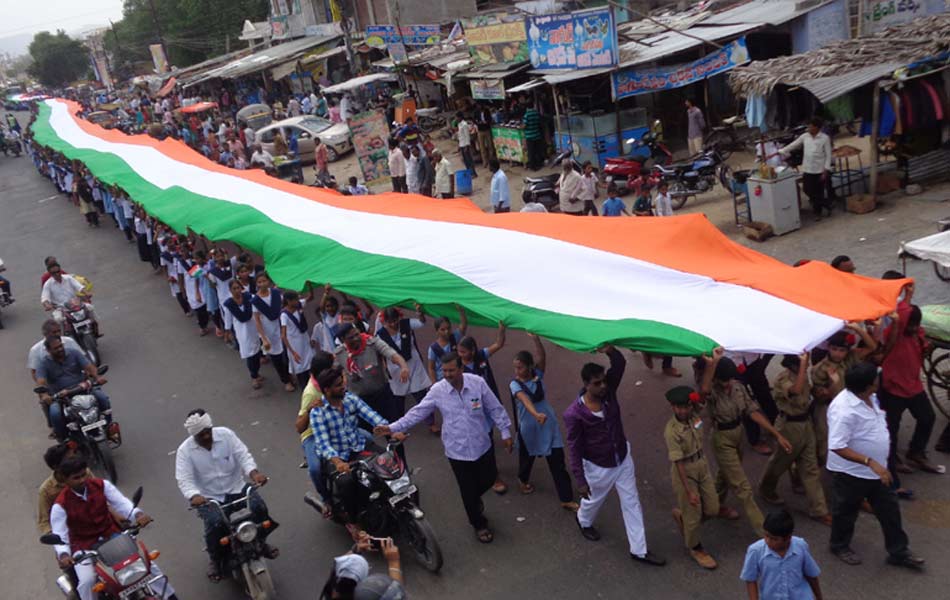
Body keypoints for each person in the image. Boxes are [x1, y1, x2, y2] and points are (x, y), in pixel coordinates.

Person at [376, 352, 513, 543]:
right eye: (444, 370)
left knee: (489, 478)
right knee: (467, 490)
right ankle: (479, 524)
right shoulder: (437, 391)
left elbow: (494, 407)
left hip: (482, 444)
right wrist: (392, 427)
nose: (447, 375)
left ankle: (474, 500)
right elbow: (417, 413)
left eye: (451, 370)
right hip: (457, 450)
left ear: (461, 369)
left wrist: (505, 431)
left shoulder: (477, 383)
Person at [563, 345, 666, 566]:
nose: (602, 386)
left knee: (631, 501)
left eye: (603, 381)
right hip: (598, 466)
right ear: (585, 385)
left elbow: (619, 364)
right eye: (596, 383)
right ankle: (583, 520)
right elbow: (574, 447)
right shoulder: (574, 414)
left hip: (622, 457)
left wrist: (610, 350)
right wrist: (580, 479)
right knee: (593, 500)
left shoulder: (609, 393)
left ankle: (639, 550)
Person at [826, 362, 924, 569]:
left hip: (878, 471)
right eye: (876, 378)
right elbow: (837, 446)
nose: (880, 379)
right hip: (852, 473)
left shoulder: (868, 396)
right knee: (845, 512)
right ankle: (839, 545)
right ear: (869, 385)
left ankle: (898, 552)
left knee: (890, 511)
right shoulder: (844, 411)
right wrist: (870, 462)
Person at [50, 457, 177, 600]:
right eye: (76, 478)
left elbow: (122, 503)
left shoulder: (101, 485)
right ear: (66, 480)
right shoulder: (60, 505)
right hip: (85, 547)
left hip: (112, 536)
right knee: (87, 582)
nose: (81, 480)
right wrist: (64, 555)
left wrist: (138, 514)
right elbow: (60, 535)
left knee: (145, 564)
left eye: (83, 474)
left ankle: (170, 595)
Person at [175, 409, 278, 581]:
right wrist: (194, 496)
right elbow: (184, 479)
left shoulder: (226, 435)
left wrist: (254, 473)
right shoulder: (185, 451)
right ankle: (215, 559)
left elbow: (243, 455)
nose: (207, 437)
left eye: (208, 432)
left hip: (237, 488)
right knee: (215, 524)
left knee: (259, 509)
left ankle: (260, 542)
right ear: (194, 436)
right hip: (210, 498)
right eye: (201, 435)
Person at [699, 349, 792, 536]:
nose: (727, 384)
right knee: (743, 487)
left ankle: (710, 508)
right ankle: (764, 532)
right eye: (723, 380)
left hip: (737, 434)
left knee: (724, 476)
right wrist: (711, 366)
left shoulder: (738, 388)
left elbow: (753, 411)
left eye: (730, 379)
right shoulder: (713, 392)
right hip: (721, 438)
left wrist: (777, 434)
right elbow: (704, 391)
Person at [309, 366, 398, 520]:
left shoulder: (350, 399)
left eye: (342, 383)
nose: (343, 386)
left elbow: (372, 416)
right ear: (327, 390)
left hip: (359, 446)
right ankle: (353, 521)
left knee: (388, 461)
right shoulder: (318, 413)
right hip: (337, 456)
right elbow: (323, 444)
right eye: (338, 385)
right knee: (346, 482)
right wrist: (337, 462)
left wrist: (392, 430)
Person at [757, 354, 832, 526]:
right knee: (779, 462)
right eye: (801, 364)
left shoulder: (802, 375)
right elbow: (796, 390)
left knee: (811, 467)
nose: (805, 367)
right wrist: (804, 364)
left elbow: (807, 392)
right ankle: (766, 488)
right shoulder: (783, 378)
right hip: (788, 426)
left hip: (805, 423)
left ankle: (819, 510)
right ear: (792, 365)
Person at [510, 334, 576, 509]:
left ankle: (566, 498)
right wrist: (536, 414)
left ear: (530, 366)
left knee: (557, 461)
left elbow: (542, 357)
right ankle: (522, 480)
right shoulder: (514, 385)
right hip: (530, 426)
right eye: (515, 368)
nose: (517, 371)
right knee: (526, 458)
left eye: (521, 367)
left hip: (548, 425)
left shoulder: (537, 374)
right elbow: (524, 400)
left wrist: (536, 339)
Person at [663, 385, 720, 569]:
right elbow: (678, 462)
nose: (683, 410)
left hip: (701, 464)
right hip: (684, 471)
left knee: (712, 508)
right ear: (673, 407)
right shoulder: (672, 431)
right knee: (693, 512)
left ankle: (685, 520)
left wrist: (713, 363)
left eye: (686, 406)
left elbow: (703, 393)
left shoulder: (695, 414)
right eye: (678, 407)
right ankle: (695, 548)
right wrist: (689, 491)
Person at [880, 304, 941, 474]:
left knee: (927, 418)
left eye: (916, 324)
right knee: (891, 427)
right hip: (893, 387)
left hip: (913, 385)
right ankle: (892, 459)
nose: (914, 327)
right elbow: (894, 331)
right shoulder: (894, 333)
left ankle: (916, 451)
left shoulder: (918, 334)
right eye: (911, 324)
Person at [811, 326, 877, 465]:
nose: (837, 354)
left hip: (850, 405)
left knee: (851, 439)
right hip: (827, 409)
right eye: (834, 349)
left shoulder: (850, 358)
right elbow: (820, 398)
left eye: (842, 350)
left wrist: (857, 329)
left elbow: (872, 347)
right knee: (824, 444)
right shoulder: (819, 369)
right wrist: (833, 383)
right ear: (828, 348)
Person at [36, 335, 113, 442]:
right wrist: (44, 395)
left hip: (83, 388)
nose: (60, 349)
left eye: (60, 346)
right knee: (55, 414)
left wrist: (97, 377)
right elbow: (41, 382)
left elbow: (89, 367)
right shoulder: (43, 363)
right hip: (60, 397)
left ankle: (109, 429)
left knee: (103, 398)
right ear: (48, 350)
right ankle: (65, 440)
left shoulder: (74, 353)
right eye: (56, 348)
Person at [333, 322, 410, 424]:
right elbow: (332, 374)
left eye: (357, 334)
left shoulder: (373, 343)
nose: (356, 338)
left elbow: (392, 354)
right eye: (351, 337)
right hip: (359, 402)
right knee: (365, 436)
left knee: (393, 430)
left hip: (382, 396)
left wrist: (403, 367)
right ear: (343, 340)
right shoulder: (340, 354)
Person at [740, 510, 823, 600]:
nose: (768, 541)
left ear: (788, 538)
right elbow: (750, 579)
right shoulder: (755, 551)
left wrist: (819, 597)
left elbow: (811, 574)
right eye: (766, 535)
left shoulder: (800, 546)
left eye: (774, 539)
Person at [375, 306, 432, 420]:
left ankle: (431, 422)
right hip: (395, 370)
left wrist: (420, 313)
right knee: (398, 398)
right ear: (385, 321)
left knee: (421, 395)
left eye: (395, 320)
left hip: (414, 365)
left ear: (399, 318)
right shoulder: (380, 335)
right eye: (389, 322)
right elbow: (379, 353)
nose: (393, 324)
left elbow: (421, 322)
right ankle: (400, 423)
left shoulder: (406, 324)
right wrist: (384, 369)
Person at [778, 117, 833, 220]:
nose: (809, 128)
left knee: (818, 191)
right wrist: (782, 151)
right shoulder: (805, 136)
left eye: (811, 126)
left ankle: (818, 213)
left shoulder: (824, 138)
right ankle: (826, 203)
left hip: (819, 169)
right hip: (808, 168)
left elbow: (828, 155)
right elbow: (794, 145)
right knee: (807, 189)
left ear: (817, 128)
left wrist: (826, 170)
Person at [253, 272, 294, 392]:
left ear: (268, 281)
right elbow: (257, 320)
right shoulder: (256, 301)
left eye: (264, 281)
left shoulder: (275, 294)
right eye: (259, 282)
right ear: (256, 284)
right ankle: (285, 380)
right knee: (277, 359)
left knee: (287, 354)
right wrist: (264, 338)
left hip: (281, 327)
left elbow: (283, 307)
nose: (262, 284)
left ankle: (290, 374)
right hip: (268, 331)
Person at [223, 279, 264, 388]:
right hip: (242, 332)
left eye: (238, 288)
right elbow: (228, 320)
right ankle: (254, 377)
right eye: (234, 289)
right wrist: (227, 333)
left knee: (256, 353)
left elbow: (259, 300)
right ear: (230, 290)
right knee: (249, 355)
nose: (237, 291)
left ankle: (257, 372)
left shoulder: (248, 297)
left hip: (254, 329)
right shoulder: (229, 304)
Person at [281, 290, 315, 390]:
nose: (297, 301)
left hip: (304, 339)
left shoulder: (299, 305)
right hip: (295, 344)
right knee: (301, 370)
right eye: (295, 299)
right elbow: (283, 336)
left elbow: (310, 297)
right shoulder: (284, 315)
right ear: (288, 301)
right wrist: (293, 352)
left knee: (310, 363)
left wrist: (309, 286)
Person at [523, 102, 543, 170]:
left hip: (530, 136)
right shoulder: (536, 113)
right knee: (537, 151)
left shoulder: (527, 115)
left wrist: (521, 126)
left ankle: (533, 166)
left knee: (531, 152)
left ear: (527, 107)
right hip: (537, 135)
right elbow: (539, 122)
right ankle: (539, 164)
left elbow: (524, 125)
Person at [456, 112, 476, 177]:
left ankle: (473, 173)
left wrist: (467, 146)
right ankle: (469, 172)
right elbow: (460, 136)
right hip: (461, 144)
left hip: (465, 145)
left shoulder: (464, 124)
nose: (456, 119)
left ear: (460, 117)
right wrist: (459, 145)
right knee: (465, 161)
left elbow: (467, 136)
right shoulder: (459, 124)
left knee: (469, 160)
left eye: (457, 117)